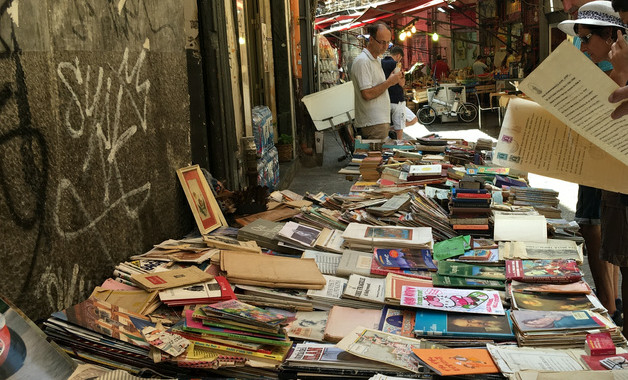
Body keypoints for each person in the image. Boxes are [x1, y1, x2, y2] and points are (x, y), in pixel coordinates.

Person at [558, 0, 622, 327]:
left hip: (603, 161)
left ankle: (610, 306)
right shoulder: (600, 64)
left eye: (585, 38)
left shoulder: (611, 68)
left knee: (594, 222)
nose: (581, 46)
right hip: (599, 159)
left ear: (610, 36)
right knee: (607, 228)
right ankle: (613, 302)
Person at [350, 22, 404, 140]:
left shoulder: (376, 60)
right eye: (382, 42)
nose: (385, 46)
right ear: (371, 39)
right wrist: (390, 82)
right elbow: (367, 94)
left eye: (387, 42)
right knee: (376, 157)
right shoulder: (363, 61)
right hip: (373, 123)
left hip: (378, 122)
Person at [381, 46, 407, 139]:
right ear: (398, 55)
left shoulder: (381, 62)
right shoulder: (396, 64)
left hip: (385, 99)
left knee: (385, 127)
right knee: (399, 127)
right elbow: (401, 83)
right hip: (397, 100)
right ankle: (399, 146)